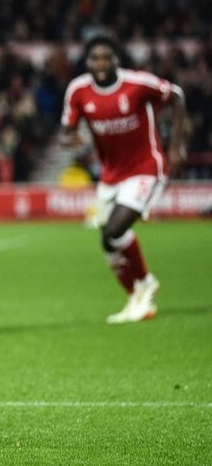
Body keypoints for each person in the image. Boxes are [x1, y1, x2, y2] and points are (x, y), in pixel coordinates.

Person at [60, 35, 187, 323]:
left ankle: (146, 282)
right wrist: (70, 138)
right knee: (108, 243)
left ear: (117, 60)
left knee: (113, 231)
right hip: (111, 174)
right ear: (88, 62)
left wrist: (178, 144)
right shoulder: (78, 90)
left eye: (107, 57)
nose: (101, 63)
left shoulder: (138, 84)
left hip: (145, 167)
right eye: (95, 58)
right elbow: (66, 129)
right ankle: (136, 297)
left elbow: (177, 95)